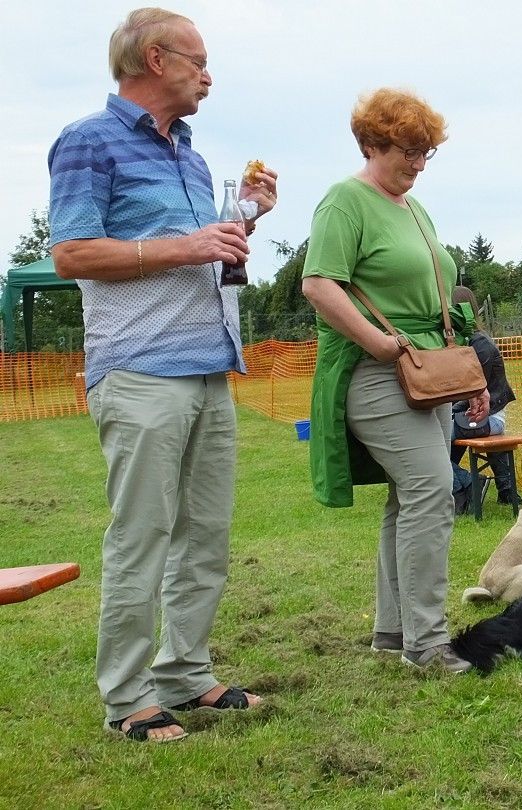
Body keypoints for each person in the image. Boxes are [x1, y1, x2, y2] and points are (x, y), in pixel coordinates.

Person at [47, 8, 278, 743]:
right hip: (140, 370)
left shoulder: (192, 154)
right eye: (198, 60)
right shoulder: (88, 141)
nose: (208, 74)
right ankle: (127, 697)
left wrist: (243, 217)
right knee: (142, 536)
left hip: (209, 365)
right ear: (154, 58)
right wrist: (186, 247)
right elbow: (74, 254)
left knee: (205, 535)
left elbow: (198, 248)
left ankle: (186, 673)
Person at [302, 88, 481, 675]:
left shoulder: (412, 207)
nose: (419, 163)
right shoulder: (343, 202)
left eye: (427, 152)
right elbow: (320, 284)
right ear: (372, 143)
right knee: (432, 490)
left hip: (429, 370)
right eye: (409, 150)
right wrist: (377, 341)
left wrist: (467, 372)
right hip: (375, 370)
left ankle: (393, 630)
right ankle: (427, 644)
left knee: (411, 497)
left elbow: (438, 296)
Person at [449, 286, 517, 511]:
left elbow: (471, 394)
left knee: (430, 442)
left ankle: (467, 485)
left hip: (489, 418)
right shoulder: (461, 342)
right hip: (465, 416)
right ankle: (465, 485)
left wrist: (444, 411)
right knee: (434, 444)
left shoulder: (481, 345)